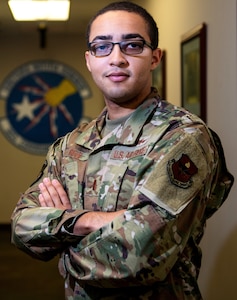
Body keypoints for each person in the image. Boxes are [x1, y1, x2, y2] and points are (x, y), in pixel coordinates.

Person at [11, 1, 234, 299]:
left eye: (132, 45)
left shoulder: (183, 138)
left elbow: (134, 259)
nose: (117, 58)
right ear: (89, 60)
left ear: (155, 58)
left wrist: (60, 240)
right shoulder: (71, 144)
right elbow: (22, 226)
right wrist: (88, 220)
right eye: (102, 47)